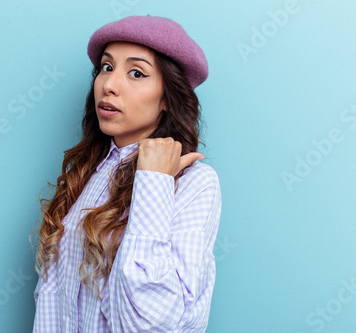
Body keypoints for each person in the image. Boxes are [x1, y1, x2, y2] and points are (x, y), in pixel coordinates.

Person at [32, 14, 222, 333]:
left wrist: (153, 182)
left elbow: (156, 322)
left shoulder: (194, 183)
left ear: (167, 98)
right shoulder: (85, 173)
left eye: (136, 73)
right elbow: (52, 301)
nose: (109, 85)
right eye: (107, 67)